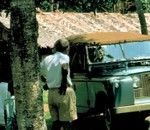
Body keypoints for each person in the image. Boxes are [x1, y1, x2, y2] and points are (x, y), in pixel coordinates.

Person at [40, 38, 77, 130]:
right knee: (67, 122)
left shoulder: (47, 59)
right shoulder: (64, 57)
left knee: (56, 123)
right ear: (67, 48)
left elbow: (40, 74)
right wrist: (63, 85)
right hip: (63, 91)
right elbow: (64, 69)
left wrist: (47, 82)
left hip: (51, 94)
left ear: (55, 48)